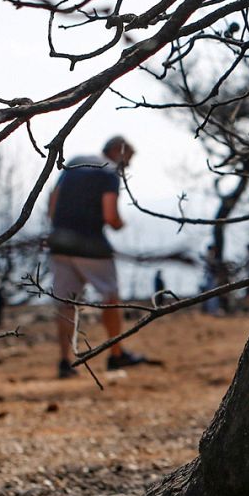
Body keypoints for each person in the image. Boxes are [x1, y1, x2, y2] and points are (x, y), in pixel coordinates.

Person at [47, 136, 149, 378]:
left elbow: (53, 202)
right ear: (118, 150)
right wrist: (120, 224)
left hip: (59, 241)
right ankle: (116, 354)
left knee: (65, 303)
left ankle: (65, 362)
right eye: (128, 158)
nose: (128, 166)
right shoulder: (109, 173)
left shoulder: (75, 162)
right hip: (91, 244)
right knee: (110, 296)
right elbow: (110, 216)